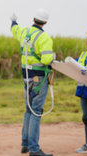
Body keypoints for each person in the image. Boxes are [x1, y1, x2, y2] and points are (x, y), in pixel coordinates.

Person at [10, 9, 55, 156]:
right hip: (39, 78)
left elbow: (14, 29)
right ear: (45, 22)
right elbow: (47, 60)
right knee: (36, 111)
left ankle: (25, 145)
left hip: (26, 76)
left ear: (34, 19)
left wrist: (13, 21)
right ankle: (34, 149)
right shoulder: (44, 38)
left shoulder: (24, 33)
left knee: (29, 110)